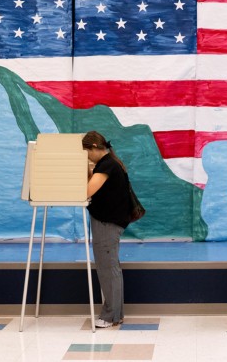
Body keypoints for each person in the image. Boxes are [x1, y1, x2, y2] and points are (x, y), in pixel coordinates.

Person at [82, 131, 132, 328]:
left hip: (106, 223)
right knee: (111, 268)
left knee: (107, 268)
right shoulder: (111, 161)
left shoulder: (107, 165)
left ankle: (110, 315)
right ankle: (116, 314)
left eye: (87, 151)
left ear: (95, 146)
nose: (86, 155)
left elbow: (87, 190)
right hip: (109, 222)